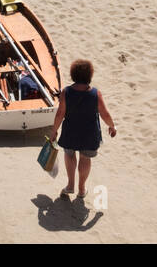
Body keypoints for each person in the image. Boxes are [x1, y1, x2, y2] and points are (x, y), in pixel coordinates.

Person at [49, 59, 116, 200]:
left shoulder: (66, 92)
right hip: (89, 134)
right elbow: (104, 113)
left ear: (73, 74)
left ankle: (70, 185)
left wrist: (54, 130)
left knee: (69, 154)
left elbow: (60, 114)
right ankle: (81, 188)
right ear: (89, 76)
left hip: (70, 132)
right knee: (85, 159)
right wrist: (111, 126)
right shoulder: (95, 94)